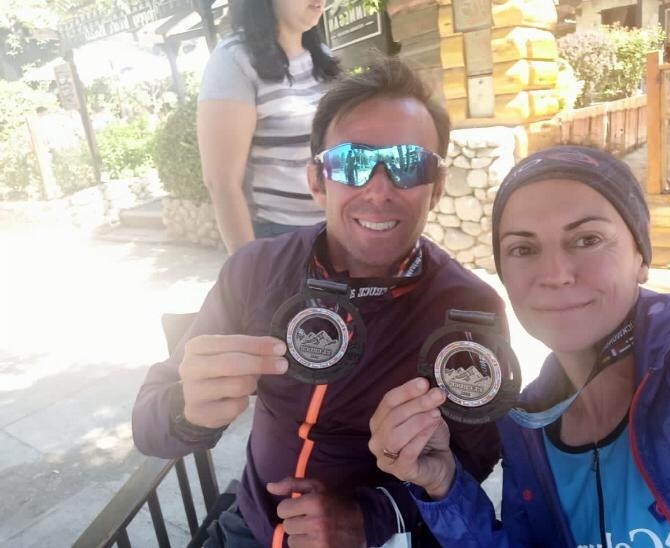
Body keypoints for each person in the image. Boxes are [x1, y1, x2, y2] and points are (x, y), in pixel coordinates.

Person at [132, 57, 509, 547]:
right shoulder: (255, 270)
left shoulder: (469, 308)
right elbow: (149, 426)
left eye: (408, 164)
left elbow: (476, 455)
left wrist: (371, 516)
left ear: (435, 189)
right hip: (251, 527)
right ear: (317, 181)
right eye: (352, 162)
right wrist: (187, 412)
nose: (379, 190)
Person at [369, 145, 670, 547]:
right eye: (523, 249)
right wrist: (443, 483)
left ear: (641, 253)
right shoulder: (528, 426)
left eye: (587, 239)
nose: (555, 274)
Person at [197, 0, 339, 252]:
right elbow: (221, 182)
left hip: (339, 228)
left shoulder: (321, 55)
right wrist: (250, 266)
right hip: (281, 239)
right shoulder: (234, 60)